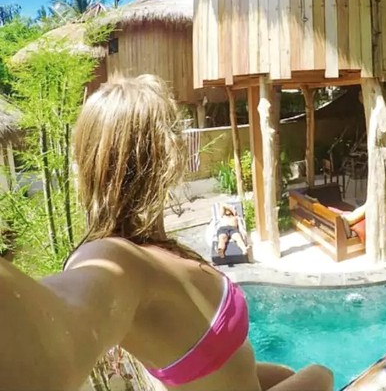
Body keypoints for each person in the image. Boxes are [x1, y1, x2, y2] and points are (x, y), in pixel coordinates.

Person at [0, 75, 333, 391]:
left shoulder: (151, 250)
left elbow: (226, 367)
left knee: (290, 373)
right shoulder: (110, 258)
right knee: (321, 373)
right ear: (169, 155)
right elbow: (53, 348)